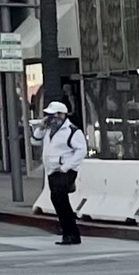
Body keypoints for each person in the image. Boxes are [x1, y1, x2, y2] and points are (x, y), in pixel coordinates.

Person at [38, 99, 87, 246]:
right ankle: (69, 233)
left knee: (59, 198)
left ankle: (71, 234)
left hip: (65, 170)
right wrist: (40, 127)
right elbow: (35, 139)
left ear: (62, 115)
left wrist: (66, 166)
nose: (50, 118)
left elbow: (81, 151)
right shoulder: (48, 130)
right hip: (52, 170)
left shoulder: (72, 131)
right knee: (58, 201)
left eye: (53, 115)